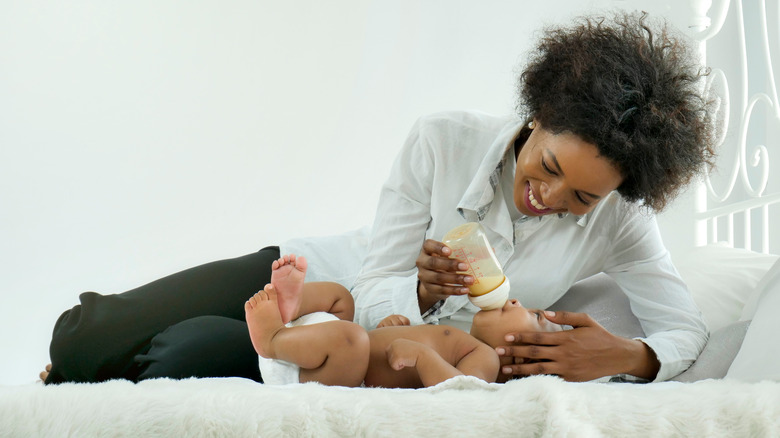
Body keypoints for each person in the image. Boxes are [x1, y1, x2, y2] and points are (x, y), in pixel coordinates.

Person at [40, 11, 714, 385]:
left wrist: (631, 356)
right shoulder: (442, 141)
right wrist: (416, 291)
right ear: (537, 116)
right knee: (84, 338)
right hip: (309, 278)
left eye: (582, 198)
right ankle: (99, 358)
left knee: (183, 357)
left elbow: (685, 327)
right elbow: (373, 281)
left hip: (349, 353)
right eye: (548, 167)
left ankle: (153, 358)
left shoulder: (620, 223)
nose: (550, 197)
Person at [245, 253, 563, 387]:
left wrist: (421, 356)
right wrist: (394, 330)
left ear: (524, 355)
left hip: (328, 371)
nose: (519, 301)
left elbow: (460, 395)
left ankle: (272, 339)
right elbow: (393, 350)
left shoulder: (486, 362)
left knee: (354, 339)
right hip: (320, 343)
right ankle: (292, 307)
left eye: (534, 315)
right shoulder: (462, 338)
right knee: (342, 298)